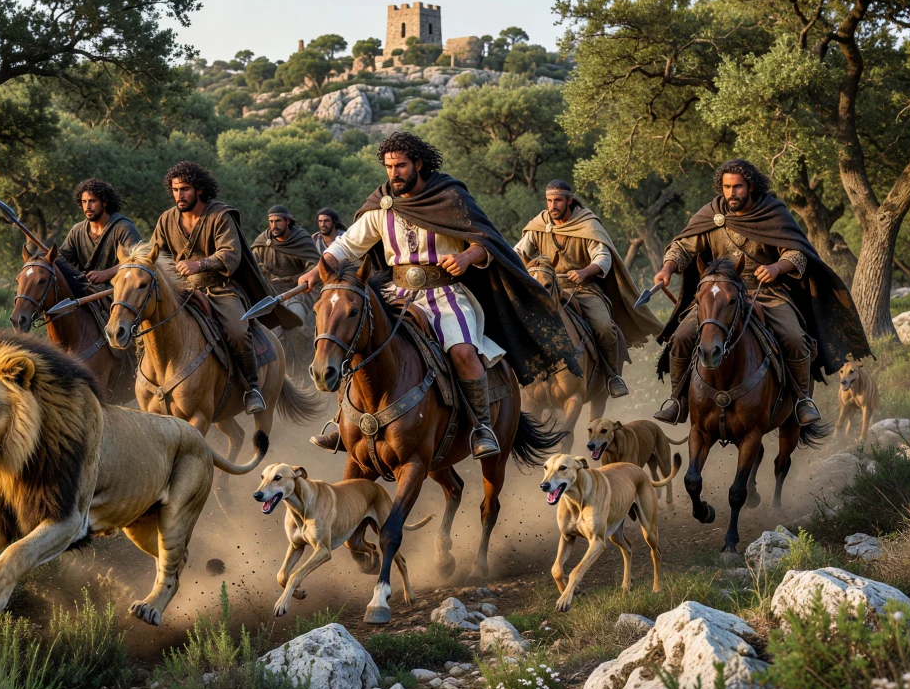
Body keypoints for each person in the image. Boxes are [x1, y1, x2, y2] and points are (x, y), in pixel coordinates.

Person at [299, 133, 578, 459]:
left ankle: (482, 426)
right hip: (396, 293)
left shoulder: (449, 197)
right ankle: (343, 423)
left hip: (444, 294)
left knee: (462, 352)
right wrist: (317, 271)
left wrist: (466, 258)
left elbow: (483, 240)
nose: (394, 173)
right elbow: (348, 245)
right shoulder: (382, 205)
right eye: (389, 167)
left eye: (400, 165)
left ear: (418, 163)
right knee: (359, 340)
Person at [651, 159, 871, 426]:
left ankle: (802, 400)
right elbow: (683, 247)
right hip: (720, 294)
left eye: (738, 187)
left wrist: (778, 267)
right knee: (682, 336)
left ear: (751, 186)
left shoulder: (773, 213)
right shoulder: (710, 215)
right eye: (726, 187)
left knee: (794, 338)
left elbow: (797, 253)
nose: (731, 193)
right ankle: (677, 400)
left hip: (766, 292)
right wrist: (667, 268)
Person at [149, 161, 302, 415]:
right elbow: (155, 253)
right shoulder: (166, 219)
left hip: (220, 288)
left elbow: (231, 255)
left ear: (199, 189)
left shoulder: (221, 215)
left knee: (237, 330)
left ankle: (252, 387)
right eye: (175, 190)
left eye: (185, 189)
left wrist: (200, 264)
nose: (179, 195)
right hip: (182, 291)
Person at [514, 180, 663, 398]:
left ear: (569, 200)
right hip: (546, 287)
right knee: (517, 321)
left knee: (603, 326)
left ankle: (613, 375)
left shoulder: (587, 225)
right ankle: (515, 375)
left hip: (582, 289)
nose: (552, 206)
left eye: (557, 200)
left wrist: (584, 272)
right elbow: (518, 252)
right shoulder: (539, 226)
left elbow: (603, 258)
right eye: (549, 200)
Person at [55, 178, 140, 284]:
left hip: (118, 291)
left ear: (104, 202)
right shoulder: (77, 231)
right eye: (84, 202)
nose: (87, 206)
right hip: (86, 292)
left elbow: (137, 260)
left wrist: (106, 274)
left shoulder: (123, 227)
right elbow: (62, 258)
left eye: (92, 201)